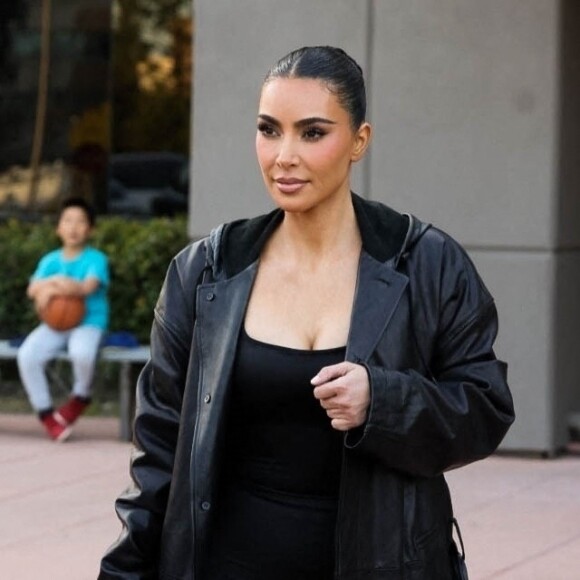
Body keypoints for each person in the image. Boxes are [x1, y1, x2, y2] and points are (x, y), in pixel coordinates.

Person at [99, 46, 514, 579]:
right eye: (269, 129)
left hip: (385, 565)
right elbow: (157, 453)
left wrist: (382, 401)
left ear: (358, 141)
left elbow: (485, 409)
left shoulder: (426, 262)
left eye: (312, 133)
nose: (284, 155)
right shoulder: (206, 271)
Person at [17, 196, 109, 442]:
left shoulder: (96, 259)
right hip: (55, 324)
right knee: (27, 355)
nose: (73, 227)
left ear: (90, 229)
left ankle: (81, 395)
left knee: (81, 354)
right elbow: (31, 289)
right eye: (67, 221)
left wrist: (49, 286)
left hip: (88, 322)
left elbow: (85, 288)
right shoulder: (50, 260)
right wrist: (48, 286)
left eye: (80, 222)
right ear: (58, 227)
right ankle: (46, 414)